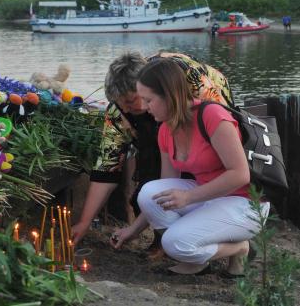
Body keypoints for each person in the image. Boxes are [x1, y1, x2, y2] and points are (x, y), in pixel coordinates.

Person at [110, 58, 270, 276]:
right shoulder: (166, 129)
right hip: (209, 197)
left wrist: (189, 197)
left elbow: (240, 175)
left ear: (169, 95)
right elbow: (164, 190)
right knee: (150, 193)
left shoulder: (213, 115)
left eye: (149, 100)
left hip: (245, 203)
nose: (145, 108)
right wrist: (133, 230)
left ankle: (239, 247)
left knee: (174, 243)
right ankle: (195, 257)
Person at [72, 52, 234, 247]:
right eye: (121, 104)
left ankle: (215, 231)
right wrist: (84, 222)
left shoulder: (191, 82)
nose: (129, 108)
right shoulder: (119, 111)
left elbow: (223, 127)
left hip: (204, 104)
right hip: (162, 129)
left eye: (132, 100)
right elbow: (107, 168)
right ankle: (164, 240)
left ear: (146, 89)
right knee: (150, 171)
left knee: (200, 165)